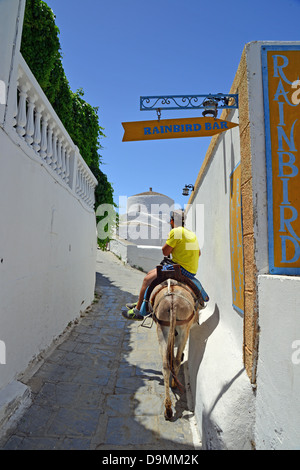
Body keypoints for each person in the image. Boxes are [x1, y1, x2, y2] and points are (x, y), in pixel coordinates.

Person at [122, 209, 203, 321]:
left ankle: (138, 311)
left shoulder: (175, 232)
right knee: (152, 273)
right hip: (191, 271)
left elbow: (165, 252)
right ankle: (141, 302)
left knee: (147, 279)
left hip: (179, 269)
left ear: (171, 221)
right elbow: (199, 253)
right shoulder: (192, 234)